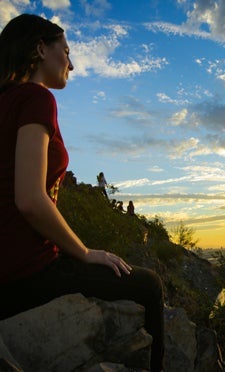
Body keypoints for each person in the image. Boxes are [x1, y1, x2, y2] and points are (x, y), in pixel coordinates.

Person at [0, 14, 164, 371]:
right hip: (24, 271)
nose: (71, 64)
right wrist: (84, 252)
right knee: (149, 285)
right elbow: (29, 199)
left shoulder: (6, 101)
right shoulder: (35, 98)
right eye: (67, 51)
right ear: (41, 49)